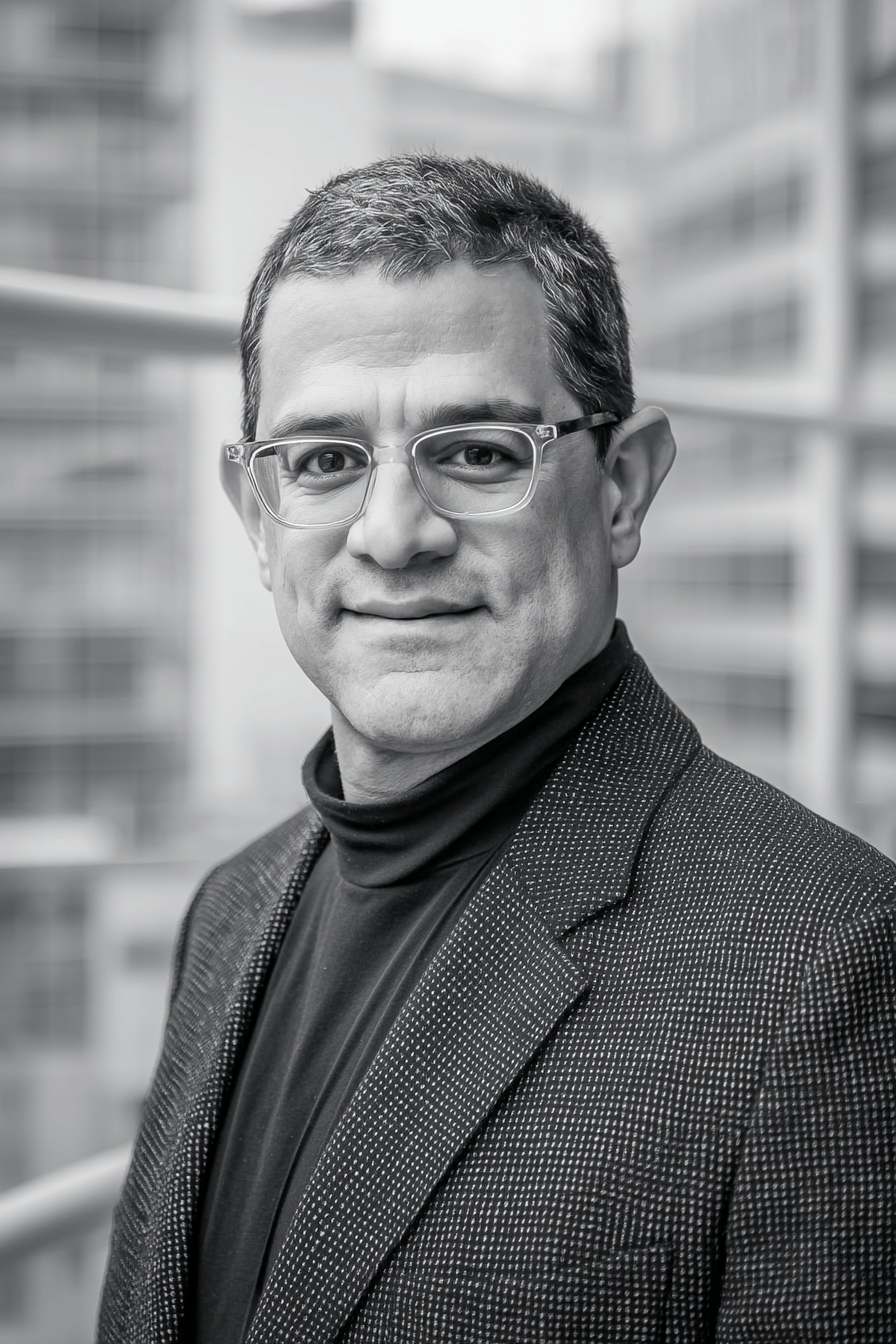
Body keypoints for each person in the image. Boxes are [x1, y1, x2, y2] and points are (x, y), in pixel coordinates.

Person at [98, 154, 895, 1344]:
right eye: (324, 460)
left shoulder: (825, 962)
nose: (392, 534)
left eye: (476, 451)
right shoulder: (227, 910)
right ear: (258, 518)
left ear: (620, 488)